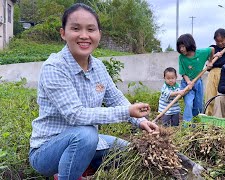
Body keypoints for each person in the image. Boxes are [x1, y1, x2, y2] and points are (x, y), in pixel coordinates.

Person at [28, 3, 159, 179]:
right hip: (47, 151)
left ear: (99, 34)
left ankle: (82, 166)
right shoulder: (55, 67)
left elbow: (116, 98)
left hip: (85, 142)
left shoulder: (98, 66)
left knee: (130, 151)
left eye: (91, 29)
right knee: (87, 134)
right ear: (63, 33)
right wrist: (127, 111)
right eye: (76, 28)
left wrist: (141, 121)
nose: (84, 36)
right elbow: (76, 115)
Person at [176, 33, 215, 123]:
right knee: (189, 103)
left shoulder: (201, 53)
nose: (181, 49)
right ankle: (187, 124)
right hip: (186, 83)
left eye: (183, 46)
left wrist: (210, 61)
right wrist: (188, 82)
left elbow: (212, 49)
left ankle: (196, 123)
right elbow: (183, 73)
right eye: (179, 47)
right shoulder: (181, 58)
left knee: (198, 105)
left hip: (198, 82)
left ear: (189, 44)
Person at [205, 28, 225, 115]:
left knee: (220, 97)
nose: (220, 43)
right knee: (210, 96)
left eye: (222, 41)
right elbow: (208, 65)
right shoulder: (212, 49)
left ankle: (219, 117)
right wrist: (214, 56)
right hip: (213, 74)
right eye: (217, 41)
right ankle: (208, 115)